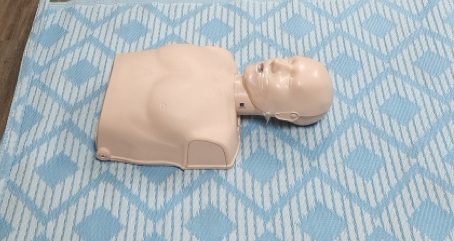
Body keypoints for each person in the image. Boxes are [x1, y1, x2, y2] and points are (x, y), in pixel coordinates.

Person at [96, 45, 334, 169]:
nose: (277, 64)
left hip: (109, 126)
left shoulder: (216, 140)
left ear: (286, 115)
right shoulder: (220, 57)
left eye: (289, 80)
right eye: (290, 60)